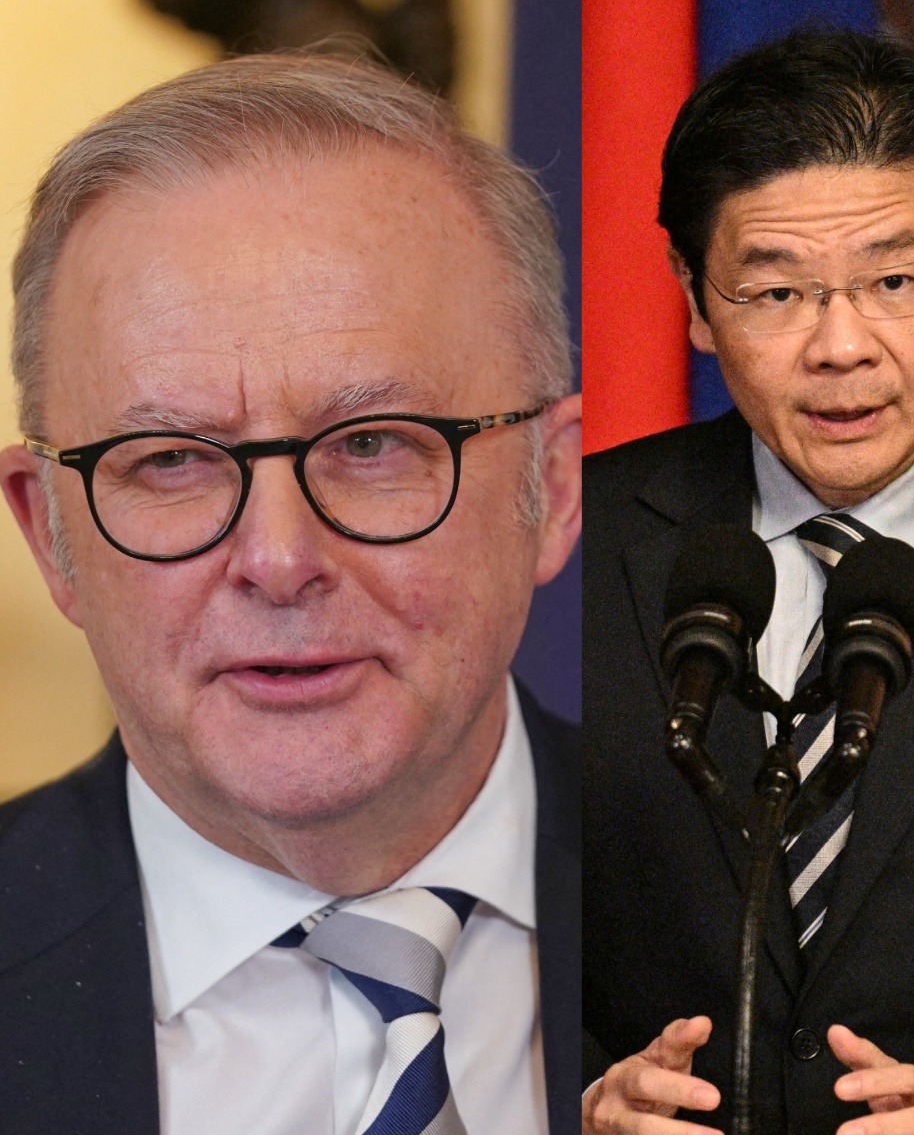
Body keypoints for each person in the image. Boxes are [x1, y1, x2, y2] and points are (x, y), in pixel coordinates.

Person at [0, 55, 583, 1135]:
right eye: (169, 460)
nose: (277, 558)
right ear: (50, 531)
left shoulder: (783, 921)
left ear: (553, 491)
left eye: (371, 444)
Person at [582, 30, 914, 1134]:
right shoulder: (562, 546)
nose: (841, 346)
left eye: (895, 280)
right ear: (696, 302)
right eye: (775, 293)